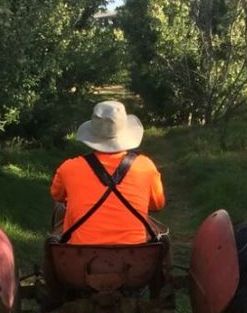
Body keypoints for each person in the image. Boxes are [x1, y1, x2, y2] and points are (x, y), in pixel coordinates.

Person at [49, 100, 165, 246]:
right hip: (135, 253)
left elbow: (57, 196)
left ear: (92, 134)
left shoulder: (68, 167)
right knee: (163, 239)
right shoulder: (145, 166)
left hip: (79, 254)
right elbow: (157, 205)